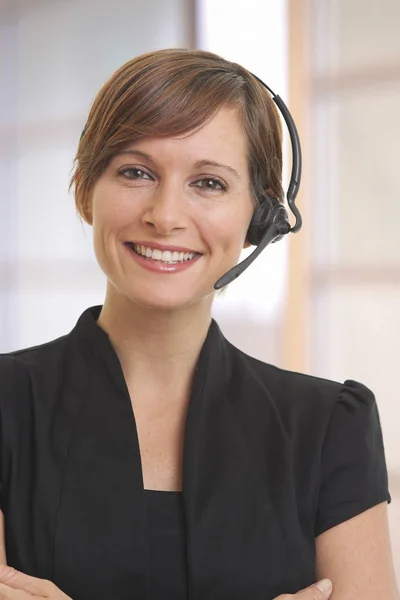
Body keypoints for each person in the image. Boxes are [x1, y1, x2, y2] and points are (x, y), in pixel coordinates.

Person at [0, 48, 397, 600]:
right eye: (136, 172)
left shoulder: (331, 428)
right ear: (87, 190)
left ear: (260, 219)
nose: (165, 215)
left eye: (209, 183)